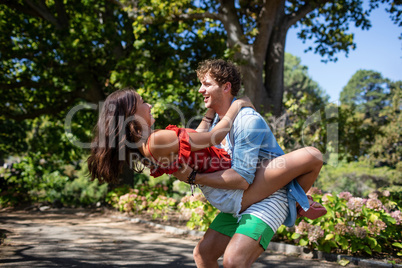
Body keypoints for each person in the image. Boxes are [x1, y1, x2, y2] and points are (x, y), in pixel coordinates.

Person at [171, 59, 325, 268]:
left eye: (206, 84)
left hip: (267, 197)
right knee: (203, 254)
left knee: (234, 261)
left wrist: (193, 178)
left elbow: (242, 178)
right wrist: (213, 111)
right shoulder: (218, 123)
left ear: (226, 87)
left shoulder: (247, 121)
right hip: (239, 198)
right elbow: (194, 142)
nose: (200, 90)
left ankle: (294, 200)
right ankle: (299, 200)